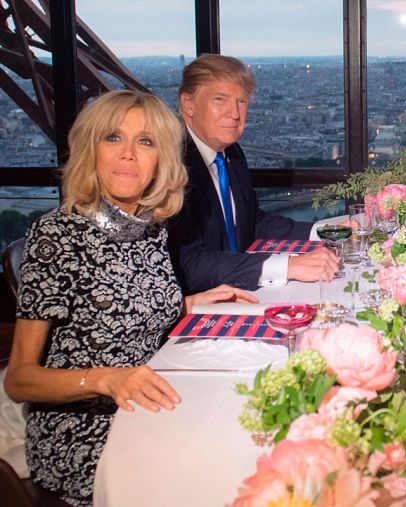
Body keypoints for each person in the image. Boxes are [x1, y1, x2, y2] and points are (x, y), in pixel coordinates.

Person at [3, 90, 257, 506]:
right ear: (90, 150)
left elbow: (128, 307)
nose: (128, 155)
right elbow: (19, 379)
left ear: (162, 160)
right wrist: (107, 378)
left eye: (145, 142)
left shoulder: (151, 227)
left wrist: (193, 303)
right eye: (113, 138)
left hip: (148, 404)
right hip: (84, 436)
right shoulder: (57, 236)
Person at [168, 54, 339, 293]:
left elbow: (250, 223)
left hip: (235, 289)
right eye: (220, 99)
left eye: (242, 101)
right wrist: (287, 266)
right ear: (188, 105)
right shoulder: (171, 166)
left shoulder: (231, 153)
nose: (235, 113)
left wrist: (325, 231)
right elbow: (188, 265)